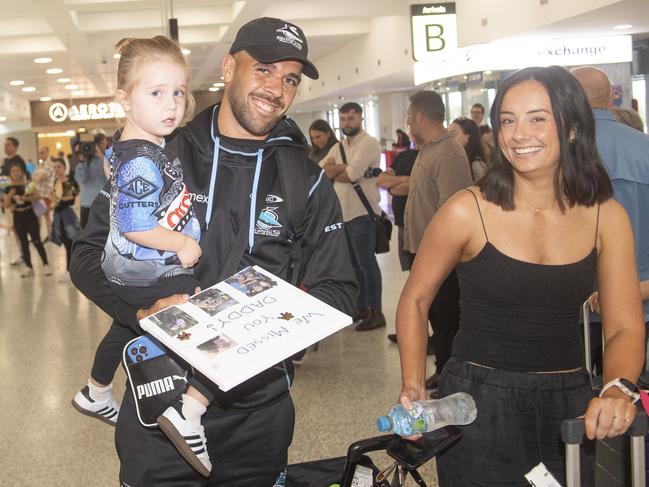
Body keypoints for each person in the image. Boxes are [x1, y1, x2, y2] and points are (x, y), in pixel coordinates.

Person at [70, 17, 357, 487]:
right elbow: (85, 257)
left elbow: (339, 287)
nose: (276, 89)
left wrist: (263, 328)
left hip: (258, 419)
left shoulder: (306, 179)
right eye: (263, 69)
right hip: (157, 410)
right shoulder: (161, 154)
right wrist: (141, 309)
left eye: (289, 79)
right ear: (228, 67)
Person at [395, 66, 645, 485]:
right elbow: (416, 299)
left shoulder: (605, 216)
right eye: (508, 120)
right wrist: (412, 384)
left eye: (537, 118)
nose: (518, 133)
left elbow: (622, 325)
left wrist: (618, 387)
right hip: (477, 405)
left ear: (570, 128)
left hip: (570, 401)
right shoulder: (466, 210)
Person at [572, 66, 649, 386]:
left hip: (580, 303)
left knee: (583, 393)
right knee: (634, 391)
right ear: (611, 97)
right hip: (642, 300)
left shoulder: (564, 154)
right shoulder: (644, 147)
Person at [402, 91, 472, 396]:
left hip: (441, 256)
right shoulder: (428, 149)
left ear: (419, 116)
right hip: (421, 250)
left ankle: (451, 377)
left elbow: (451, 209)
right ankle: (443, 370)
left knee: (447, 321)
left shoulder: (449, 152)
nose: (407, 123)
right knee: (435, 319)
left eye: (408, 116)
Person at [321, 101, 385, 331]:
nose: (347, 123)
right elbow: (322, 169)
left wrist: (338, 169)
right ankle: (361, 307)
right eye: (344, 119)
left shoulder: (368, 143)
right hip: (344, 215)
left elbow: (352, 174)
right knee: (354, 266)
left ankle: (376, 312)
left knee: (367, 264)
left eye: (351, 118)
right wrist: (342, 168)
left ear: (361, 118)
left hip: (362, 214)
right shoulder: (340, 147)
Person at [3, 164, 51, 277]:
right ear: (10, 174)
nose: (16, 173)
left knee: (37, 240)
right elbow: (6, 204)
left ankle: (45, 264)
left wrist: (26, 198)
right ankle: (29, 267)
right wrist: (10, 195)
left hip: (30, 214)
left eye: (18, 170)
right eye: (13, 171)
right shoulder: (8, 188)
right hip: (17, 216)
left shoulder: (28, 184)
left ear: (22, 172)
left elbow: (38, 196)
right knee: (23, 242)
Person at [50, 158, 80, 281]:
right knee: (65, 240)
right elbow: (55, 197)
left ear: (64, 167)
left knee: (70, 242)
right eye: (55, 167)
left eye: (59, 167)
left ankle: (71, 270)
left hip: (67, 214)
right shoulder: (56, 181)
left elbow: (71, 198)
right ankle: (70, 270)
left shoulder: (69, 181)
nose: (57, 169)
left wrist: (60, 199)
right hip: (58, 214)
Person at [74, 133, 108, 228]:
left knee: (104, 235)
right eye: (103, 144)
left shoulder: (106, 161)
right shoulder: (83, 163)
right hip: (87, 204)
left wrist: (101, 155)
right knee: (86, 236)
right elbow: (81, 179)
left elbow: (111, 176)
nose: (105, 147)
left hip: (102, 205)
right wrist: (81, 160)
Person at [448, 117, 487, 182]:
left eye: (453, 135)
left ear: (467, 137)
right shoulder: (452, 160)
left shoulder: (476, 165)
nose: (449, 139)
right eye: (448, 135)